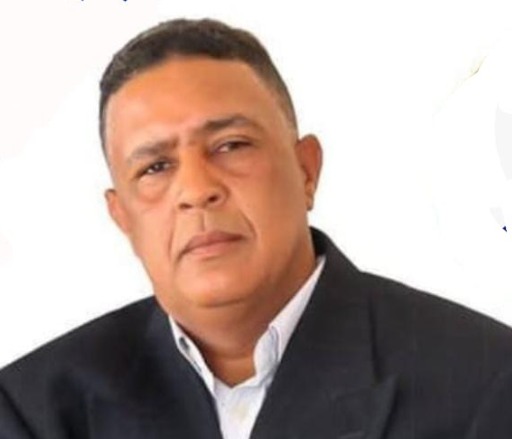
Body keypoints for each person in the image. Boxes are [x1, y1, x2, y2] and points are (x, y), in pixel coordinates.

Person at [1, 18, 512, 439]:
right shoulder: (32, 411)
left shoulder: (483, 381)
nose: (196, 189)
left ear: (306, 171)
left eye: (231, 146)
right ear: (123, 217)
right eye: (155, 167)